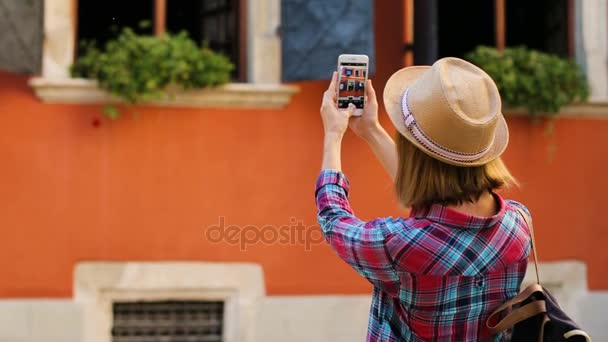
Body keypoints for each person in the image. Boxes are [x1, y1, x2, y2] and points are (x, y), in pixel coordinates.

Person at [315, 57, 531, 341]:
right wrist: (371, 131)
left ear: (416, 154)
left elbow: (333, 220)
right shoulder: (519, 223)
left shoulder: (399, 245)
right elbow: (437, 200)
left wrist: (333, 134)